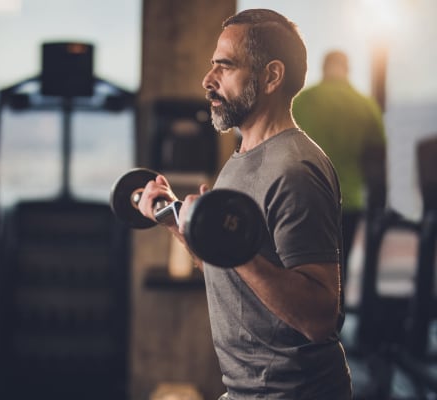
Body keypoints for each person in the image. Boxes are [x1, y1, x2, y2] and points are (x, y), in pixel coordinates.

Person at [137, 9, 352, 399]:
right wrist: (179, 224)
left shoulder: (296, 169)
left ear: (271, 76)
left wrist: (235, 250)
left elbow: (321, 318)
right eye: (211, 66)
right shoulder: (242, 159)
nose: (208, 80)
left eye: (225, 66)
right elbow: (232, 270)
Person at [292, 50, 386, 283]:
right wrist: (378, 210)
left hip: (303, 202)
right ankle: (332, 318)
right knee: (336, 276)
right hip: (347, 205)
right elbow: (376, 165)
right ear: (347, 69)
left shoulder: (301, 101)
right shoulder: (366, 106)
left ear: (324, 68)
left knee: (299, 273)